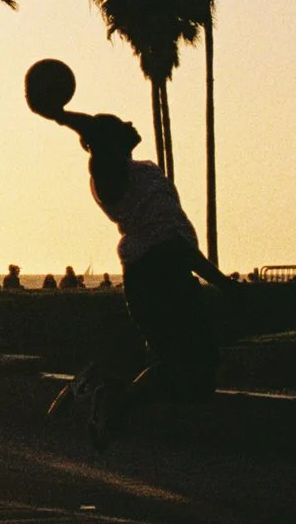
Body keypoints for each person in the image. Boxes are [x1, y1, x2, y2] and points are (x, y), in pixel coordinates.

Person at [42, 111, 232, 448]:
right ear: (107, 143)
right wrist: (61, 115)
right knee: (191, 368)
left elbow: (177, 242)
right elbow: (172, 244)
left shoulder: (138, 172)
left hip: (166, 273)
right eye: (120, 125)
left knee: (187, 366)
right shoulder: (113, 177)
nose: (130, 124)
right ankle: (110, 400)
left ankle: (101, 382)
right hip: (159, 276)